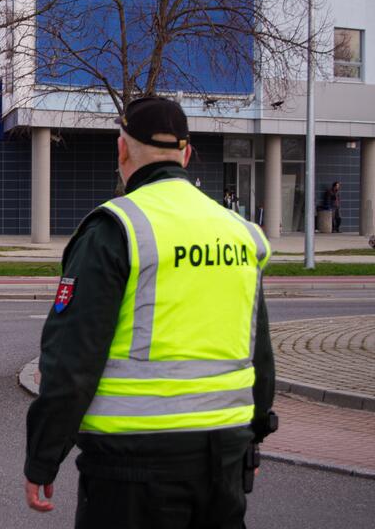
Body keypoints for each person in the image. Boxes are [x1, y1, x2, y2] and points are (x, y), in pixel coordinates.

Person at [23, 96, 277, 528]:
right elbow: (261, 355)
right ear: (187, 154)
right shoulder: (239, 233)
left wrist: (43, 458)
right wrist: (252, 439)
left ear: (121, 150)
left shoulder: (116, 229)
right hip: (225, 459)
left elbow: (72, 359)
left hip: (133, 469)